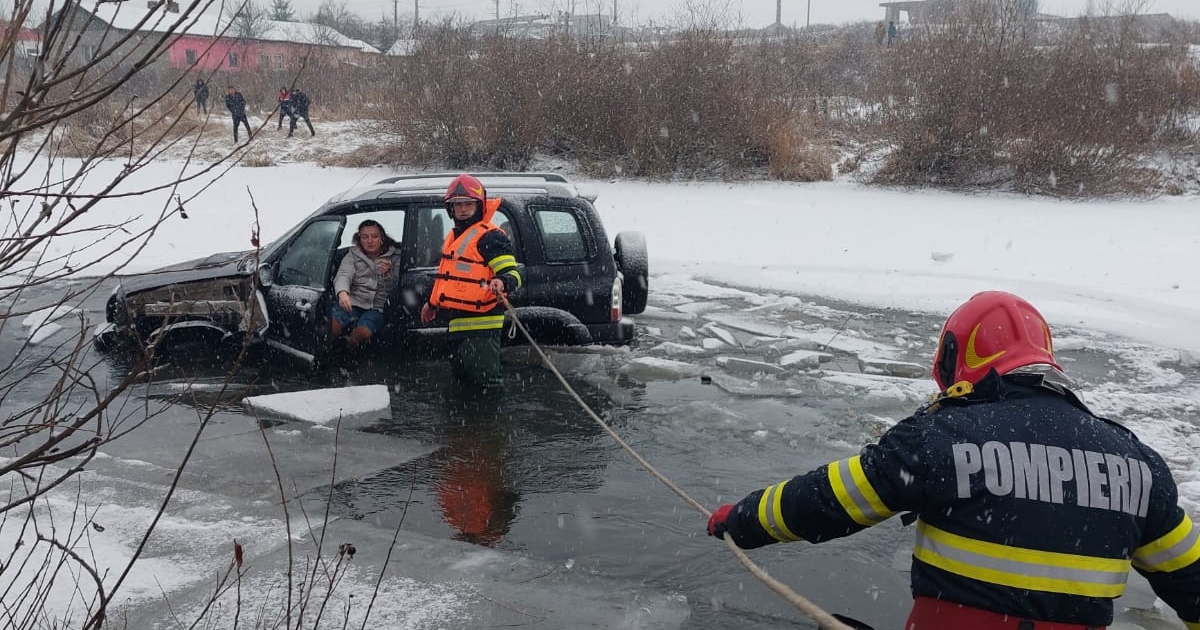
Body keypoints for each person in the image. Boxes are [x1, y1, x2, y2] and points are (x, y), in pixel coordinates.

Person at [707, 290, 1200, 630]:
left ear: (954, 360)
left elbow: (829, 501)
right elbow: (1191, 581)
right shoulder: (1139, 466)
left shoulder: (940, 439)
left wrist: (741, 521)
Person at [419, 174, 522, 390]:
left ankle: (493, 424)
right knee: (465, 388)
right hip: (458, 327)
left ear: (479, 206)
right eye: (458, 205)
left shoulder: (490, 236)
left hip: (482, 330)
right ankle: (471, 424)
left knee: (486, 387)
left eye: (468, 204)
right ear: (451, 209)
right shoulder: (455, 238)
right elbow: (449, 278)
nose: (463, 209)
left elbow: (513, 274)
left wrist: (502, 282)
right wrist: (432, 304)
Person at [330, 220, 401, 350]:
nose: (370, 241)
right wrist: (342, 293)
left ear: (382, 239)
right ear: (359, 239)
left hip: (377, 307)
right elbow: (343, 275)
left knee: (363, 332)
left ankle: (346, 349)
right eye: (365, 237)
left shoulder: (395, 256)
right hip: (352, 302)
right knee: (333, 325)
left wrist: (388, 275)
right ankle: (327, 351)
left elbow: (398, 288)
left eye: (374, 236)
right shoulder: (352, 255)